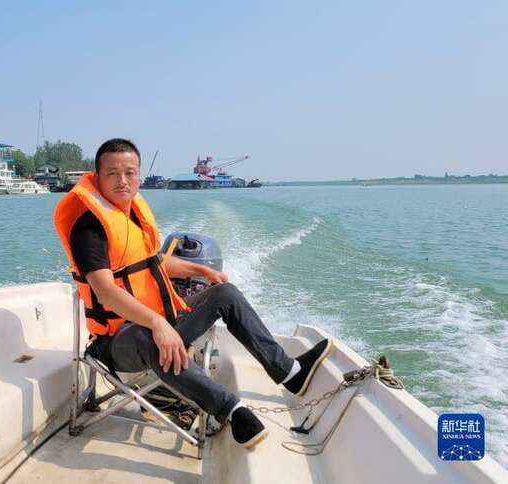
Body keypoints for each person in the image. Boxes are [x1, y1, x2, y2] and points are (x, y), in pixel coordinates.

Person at [53, 138, 333, 449]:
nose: (122, 181)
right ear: (97, 177)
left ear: (139, 176)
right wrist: (158, 324)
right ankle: (232, 411)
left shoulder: (132, 215)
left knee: (225, 293)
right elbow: (106, 293)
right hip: (116, 343)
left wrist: (202, 271)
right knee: (149, 336)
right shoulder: (88, 229)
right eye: (112, 173)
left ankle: (290, 372)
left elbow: (154, 263)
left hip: (159, 319)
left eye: (129, 173)